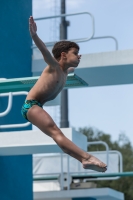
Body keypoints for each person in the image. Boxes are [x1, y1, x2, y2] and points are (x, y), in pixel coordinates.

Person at [21, 16, 107, 172]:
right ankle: (86, 158)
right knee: (56, 131)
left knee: (56, 133)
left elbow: (71, 66)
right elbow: (45, 52)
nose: (79, 55)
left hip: (38, 106)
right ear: (63, 55)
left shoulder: (67, 71)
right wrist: (34, 35)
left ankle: (84, 160)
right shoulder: (54, 66)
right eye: (75, 53)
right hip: (30, 106)